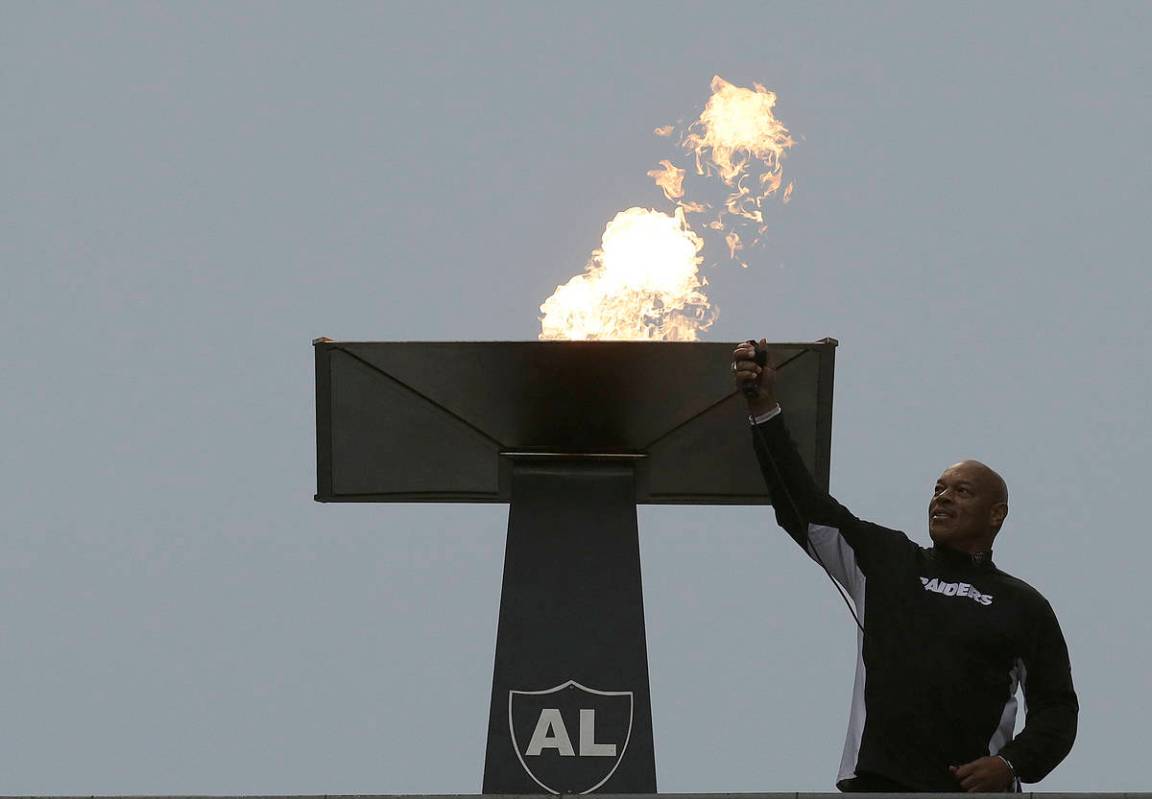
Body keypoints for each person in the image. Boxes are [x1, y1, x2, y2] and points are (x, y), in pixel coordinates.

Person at [732, 340, 1077, 793]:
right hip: (876, 785)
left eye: (962, 491)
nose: (943, 497)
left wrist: (1010, 765)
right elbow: (804, 506)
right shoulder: (887, 560)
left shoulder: (1023, 604)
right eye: (939, 488)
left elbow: (1057, 711)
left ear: (997, 514)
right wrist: (763, 407)